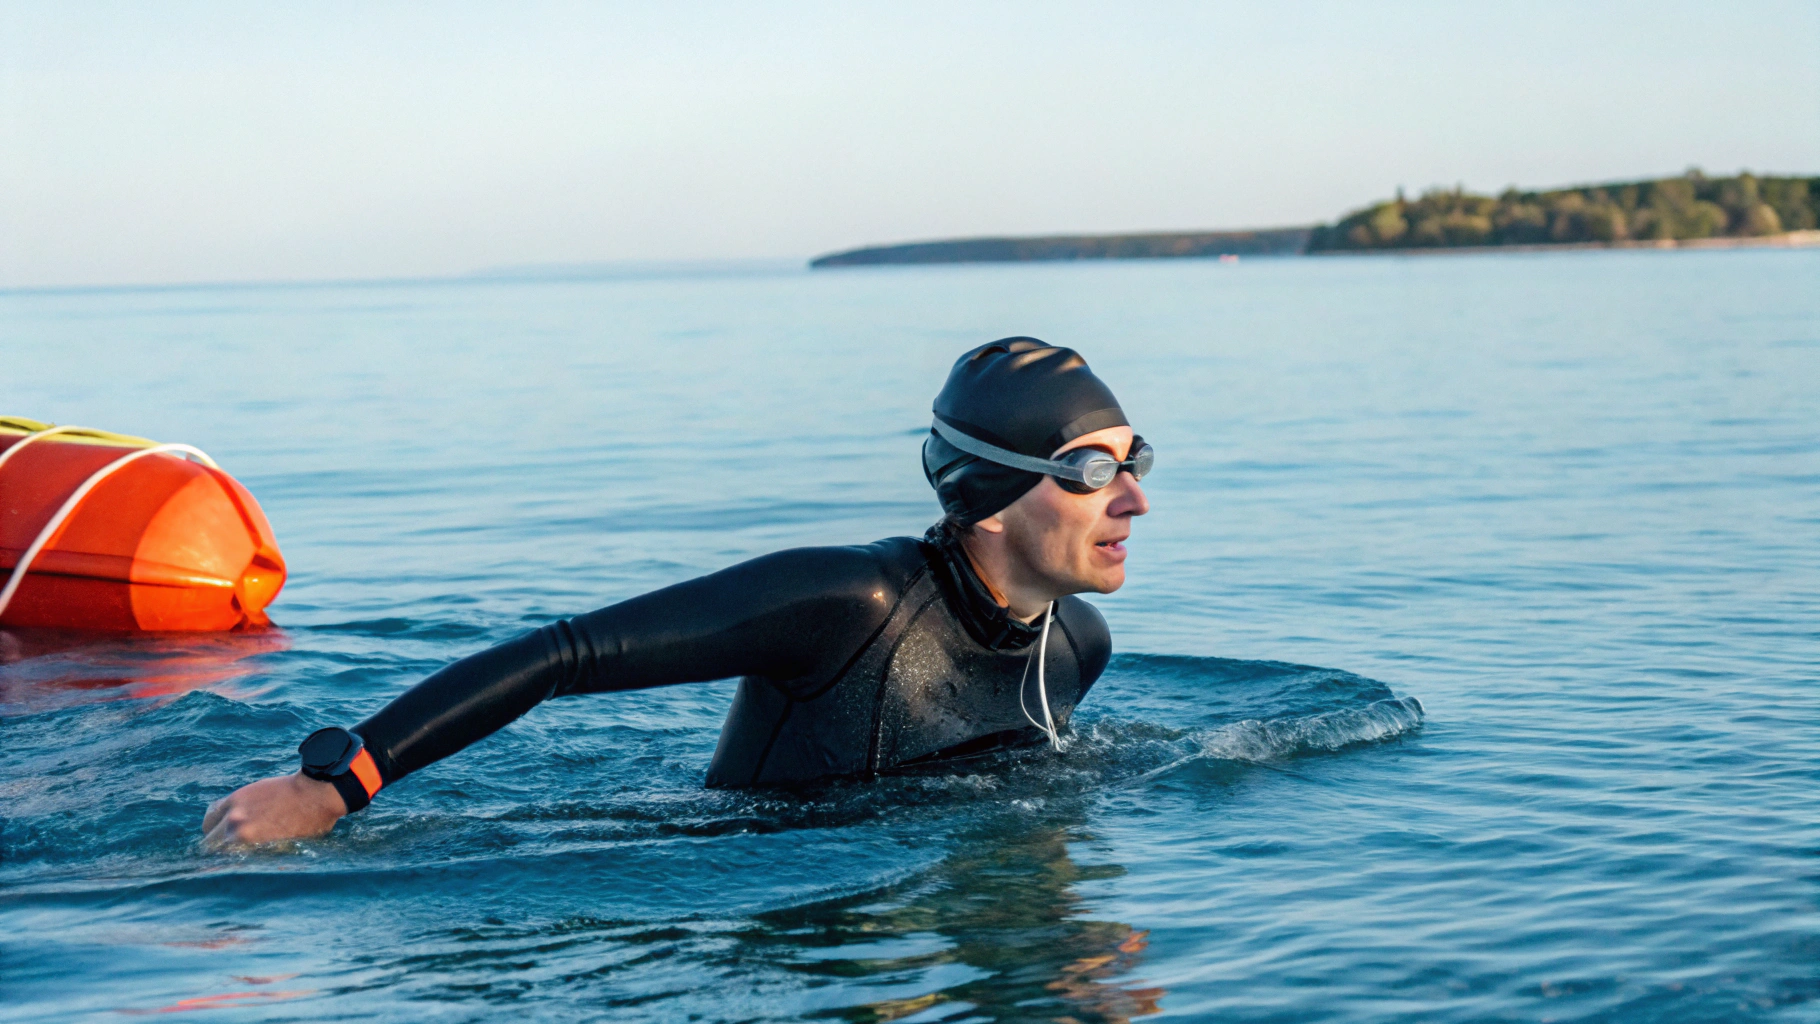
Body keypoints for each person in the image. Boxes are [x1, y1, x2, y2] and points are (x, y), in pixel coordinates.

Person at [202, 338, 1152, 846]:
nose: (1134, 498)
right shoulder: (847, 603)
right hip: (744, 892)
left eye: (1133, 460)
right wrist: (333, 786)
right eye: (1087, 469)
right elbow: (562, 656)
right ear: (986, 498)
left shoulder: (1078, 647)